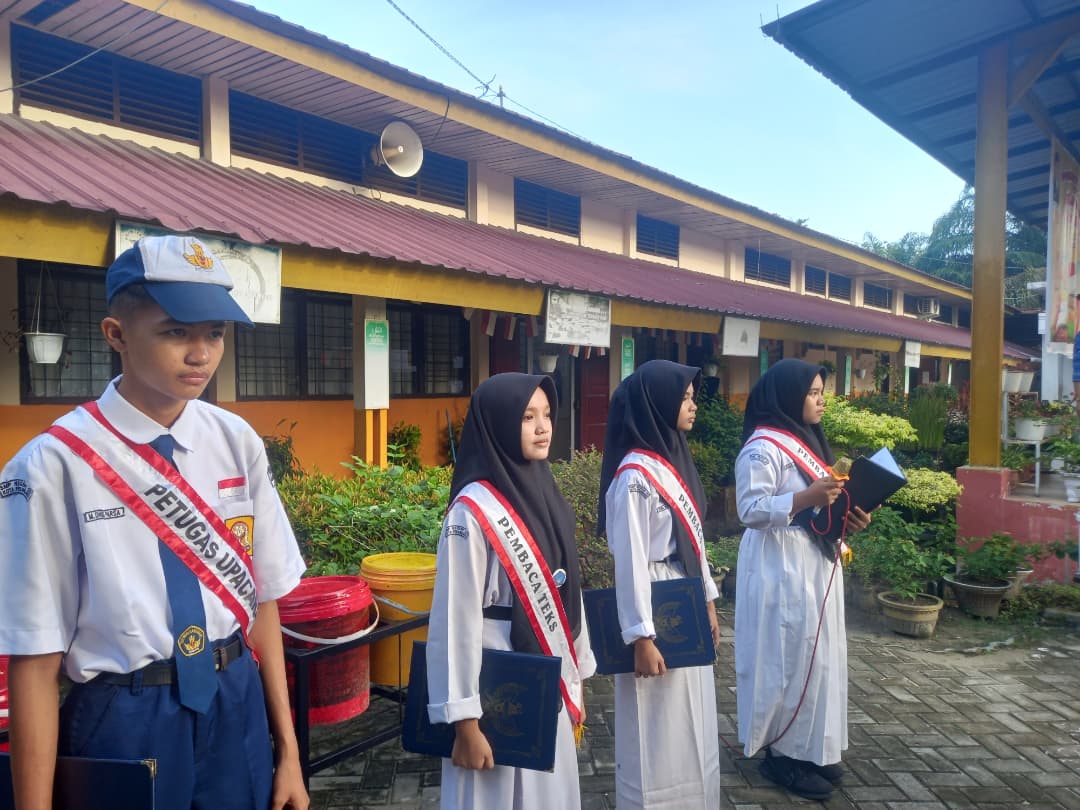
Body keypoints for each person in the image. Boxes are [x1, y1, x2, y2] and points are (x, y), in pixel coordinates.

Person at [0, 235, 309, 810]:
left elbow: (262, 597)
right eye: (175, 332)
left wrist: (288, 752)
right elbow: (35, 659)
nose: (202, 354)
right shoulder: (55, 464)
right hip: (124, 716)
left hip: (235, 698)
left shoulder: (234, 441)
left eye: (215, 333)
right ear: (115, 335)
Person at [425, 372, 595, 810]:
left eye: (547, 415)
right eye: (526, 417)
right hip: (491, 675)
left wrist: (577, 672)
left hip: (546, 668)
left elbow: (567, 587)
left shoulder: (546, 489)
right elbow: (454, 618)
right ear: (498, 423)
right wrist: (463, 718)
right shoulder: (471, 510)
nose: (543, 427)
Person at [734, 358, 870, 801]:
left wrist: (848, 517)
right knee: (785, 658)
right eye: (812, 393)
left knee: (819, 656)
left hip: (814, 562)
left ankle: (813, 746)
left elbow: (821, 508)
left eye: (821, 392)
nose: (821, 400)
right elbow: (750, 510)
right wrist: (806, 496)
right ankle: (782, 755)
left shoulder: (806, 440)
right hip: (779, 562)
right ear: (789, 396)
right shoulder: (762, 447)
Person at [598, 359, 722, 810]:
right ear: (658, 403)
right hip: (651, 594)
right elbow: (628, 561)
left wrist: (707, 598)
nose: (692, 407)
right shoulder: (634, 476)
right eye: (685, 398)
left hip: (682, 589)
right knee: (656, 723)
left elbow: (695, 540)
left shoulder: (674, 457)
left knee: (693, 712)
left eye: (692, 398)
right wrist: (641, 635)